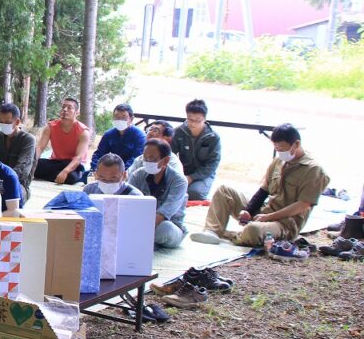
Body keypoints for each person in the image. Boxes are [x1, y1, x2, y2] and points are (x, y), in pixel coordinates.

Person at [191, 124, 329, 247]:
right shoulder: (279, 161)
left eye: (282, 148)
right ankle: (212, 231)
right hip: (264, 212)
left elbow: (302, 205)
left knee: (253, 230)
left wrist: (269, 217)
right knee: (224, 191)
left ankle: (233, 234)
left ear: (296, 144)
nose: (279, 152)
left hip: (285, 223)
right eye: (276, 148)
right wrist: (249, 210)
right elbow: (264, 189)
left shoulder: (314, 170)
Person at [128, 139, 189, 249]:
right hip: (139, 223)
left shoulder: (179, 181)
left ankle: (140, 238)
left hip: (167, 225)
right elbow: (127, 202)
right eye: (145, 158)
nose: (147, 161)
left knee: (165, 229)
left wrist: (140, 229)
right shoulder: (138, 175)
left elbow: (164, 213)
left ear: (165, 160)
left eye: (152, 159)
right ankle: (143, 240)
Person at [171, 99, 221, 200]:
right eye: (190, 119)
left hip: (203, 175)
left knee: (194, 193)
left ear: (205, 119)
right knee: (172, 190)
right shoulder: (178, 132)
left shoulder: (213, 137)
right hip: (182, 172)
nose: (193, 123)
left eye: (197, 120)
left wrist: (192, 177)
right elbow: (170, 154)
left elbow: (212, 164)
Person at [34, 97, 91, 185]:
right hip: (56, 162)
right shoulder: (50, 127)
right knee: (35, 166)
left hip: (74, 165)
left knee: (71, 177)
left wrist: (65, 171)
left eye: (69, 108)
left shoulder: (83, 132)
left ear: (77, 113)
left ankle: (56, 175)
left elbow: (79, 157)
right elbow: (40, 147)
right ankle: (56, 176)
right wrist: (33, 163)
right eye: (63, 107)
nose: (65, 110)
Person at [0, 102, 37, 202]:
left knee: (11, 197)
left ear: (17, 122)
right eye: (1, 122)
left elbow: (23, 170)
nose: (3, 125)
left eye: (7, 122)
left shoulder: (28, 140)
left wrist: (2, 181)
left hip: (18, 184)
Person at [90, 103, 146, 173]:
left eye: (124, 117)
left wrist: (120, 172)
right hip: (111, 168)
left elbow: (136, 159)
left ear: (131, 119)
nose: (120, 120)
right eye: (117, 117)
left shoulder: (139, 136)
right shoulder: (109, 134)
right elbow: (99, 154)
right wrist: (96, 168)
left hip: (131, 171)